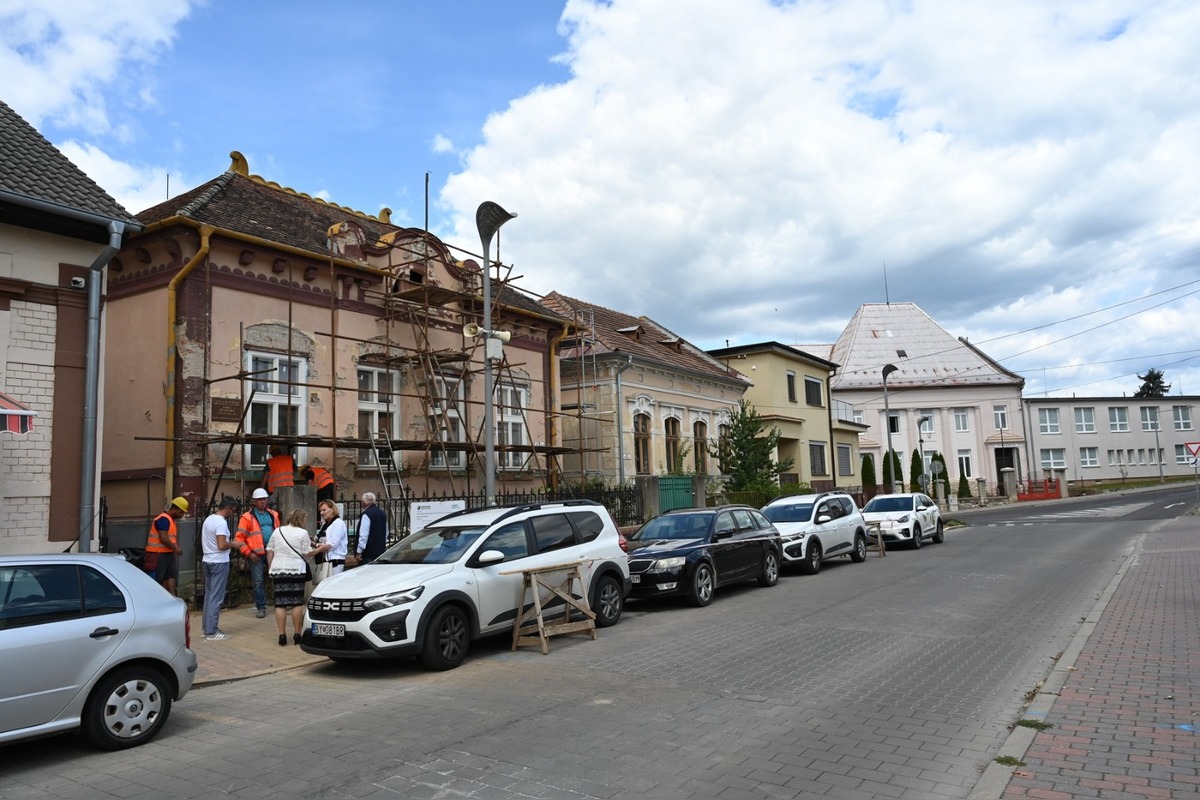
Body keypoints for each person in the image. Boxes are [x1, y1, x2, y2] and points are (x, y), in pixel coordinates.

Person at [266, 507, 315, 646]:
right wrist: (321, 549)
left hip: (278, 570)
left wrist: (271, 568)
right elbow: (307, 553)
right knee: (296, 603)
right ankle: (297, 634)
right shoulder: (303, 533)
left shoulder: (278, 530)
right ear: (301, 519)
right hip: (296, 570)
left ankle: (282, 635)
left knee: (280, 604)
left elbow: (269, 550)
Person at [235, 487, 280, 618]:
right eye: (259, 500)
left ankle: (280, 604)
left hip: (272, 551)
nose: (262, 502)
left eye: (264, 499)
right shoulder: (246, 517)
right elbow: (239, 539)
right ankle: (261, 607)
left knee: (277, 577)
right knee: (258, 581)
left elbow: (278, 532)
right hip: (256, 554)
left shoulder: (274, 514)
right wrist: (249, 553)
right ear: (254, 502)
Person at [200, 496, 239, 640]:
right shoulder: (221, 523)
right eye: (233, 511)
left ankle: (206, 628)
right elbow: (222, 545)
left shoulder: (209, 519)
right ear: (228, 508)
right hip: (219, 562)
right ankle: (212, 631)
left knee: (209, 596)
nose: (232, 514)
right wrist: (233, 544)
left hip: (207, 560)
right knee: (216, 597)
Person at [145, 497, 187, 595]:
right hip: (157, 554)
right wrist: (176, 548)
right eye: (180, 512)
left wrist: (173, 549)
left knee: (171, 575)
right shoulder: (163, 519)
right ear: (174, 509)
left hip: (167, 553)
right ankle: (158, 597)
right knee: (158, 578)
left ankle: (172, 596)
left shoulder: (170, 520)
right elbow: (163, 538)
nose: (181, 515)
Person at [312, 498, 348, 578]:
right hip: (324, 561)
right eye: (320, 511)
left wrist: (317, 545)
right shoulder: (325, 525)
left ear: (332, 509)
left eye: (324, 510)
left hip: (334, 561)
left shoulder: (338, 523)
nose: (322, 513)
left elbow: (332, 544)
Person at [355, 491, 388, 564]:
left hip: (368, 553)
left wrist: (359, 551)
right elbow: (386, 532)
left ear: (364, 502)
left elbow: (364, 535)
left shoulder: (366, 514)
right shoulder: (382, 513)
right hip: (380, 551)